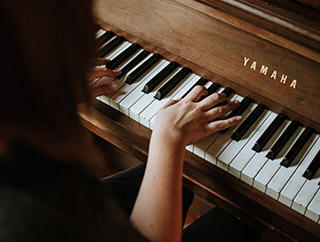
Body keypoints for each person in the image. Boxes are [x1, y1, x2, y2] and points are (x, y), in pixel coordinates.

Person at [0, 0, 261, 241]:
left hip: (68, 205)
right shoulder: (24, 218)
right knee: (244, 218)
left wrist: (50, 95)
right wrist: (168, 138)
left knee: (187, 179)